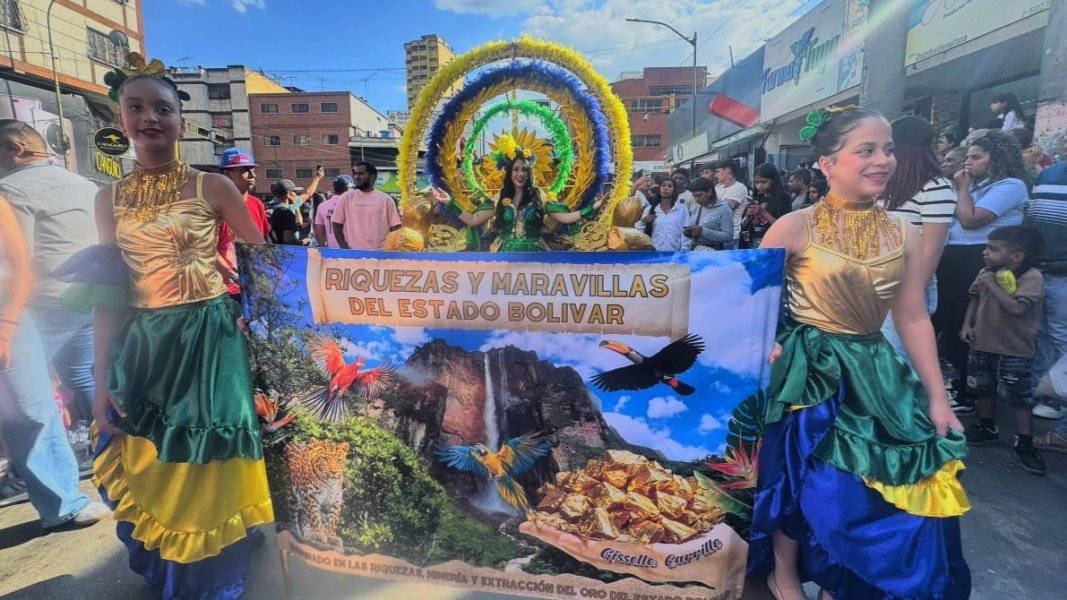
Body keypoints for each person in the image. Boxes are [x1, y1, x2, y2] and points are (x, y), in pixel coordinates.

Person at [749, 107, 968, 600]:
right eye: (866, 150)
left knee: (873, 491)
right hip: (807, 373)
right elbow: (750, 306)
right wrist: (769, 341)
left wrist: (937, 398)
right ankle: (784, 571)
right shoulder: (793, 226)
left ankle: (841, 581)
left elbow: (911, 317)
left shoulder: (903, 231)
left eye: (887, 149)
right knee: (803, 479)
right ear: (827, 163)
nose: (882, 160)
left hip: (876, 372)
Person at [88, 72, 273, 598]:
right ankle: (172, 565)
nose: (149, 118)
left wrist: (251, 314)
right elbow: (109, 292)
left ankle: (212, 574)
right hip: (145, 344)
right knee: (148, 456)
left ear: (180, 122)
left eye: (162, 109)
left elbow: (263, 265)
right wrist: (101, 380)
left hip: (211, 340)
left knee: (208, 460)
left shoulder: (211, 186)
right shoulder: (107, 199)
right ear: (120, 118)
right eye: (136, 107)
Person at [0, 193, 109, 525]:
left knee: (28, 411)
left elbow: (20, 267)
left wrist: (6, 326)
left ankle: (63, 503)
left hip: (8, 318)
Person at [0, 120, 98, 430]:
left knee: (25, 392)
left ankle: (33, 465)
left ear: (16, 149)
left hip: (47, 301)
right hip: (92, 297)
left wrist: (7, 321)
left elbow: (15, 264)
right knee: (80, 374)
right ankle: (107, 445)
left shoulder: (11, 191)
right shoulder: (83, 183)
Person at [934, 129, 1028, 413]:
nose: (968, 163)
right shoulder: (976, 184)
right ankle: (961, 385)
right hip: (953, 254)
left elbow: (971, 219)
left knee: (967, 324)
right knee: (946, 322)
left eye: (977, 157)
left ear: (996, 157)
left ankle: (971, 392)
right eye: (969, 157)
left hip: (978, 256)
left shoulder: (1011, 185)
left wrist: (962, 188)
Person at [959, 226, 1045, 474]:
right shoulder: (987, 272)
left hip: (1014, 349)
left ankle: (1025, 443)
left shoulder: (1032, 278)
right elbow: (974, 297)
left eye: (993, 249)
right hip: (983, 342)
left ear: (1016, 256)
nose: (985, 253)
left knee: (1019, 396)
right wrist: (967, 325)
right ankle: (987, 428)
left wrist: (992, 284)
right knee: (983, 388)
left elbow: (1017, 309)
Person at [879, 116, 957, 363]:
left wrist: (911, 293)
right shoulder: (886, 187)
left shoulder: (937, 187)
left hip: (908, 280)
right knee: (879, 362)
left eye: (888, 149)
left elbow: (933, 248)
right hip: (876, 279)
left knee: (898, 361)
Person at [433, 147, 605, 251]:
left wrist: (594, 207)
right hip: (504, 258)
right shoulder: (500, 197)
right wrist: (449, 202)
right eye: (516, 169)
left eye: (524, 170)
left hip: (534, 257)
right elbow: (473, 220)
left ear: (529, 173)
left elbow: (566, 218)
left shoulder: (538, 195)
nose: (520, 174)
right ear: (510, 172)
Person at [1029, 135, 1067, 434]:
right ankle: (1040, 389)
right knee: (1039, 333)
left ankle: (1057, 400)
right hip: (1039, 270)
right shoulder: (1049, 173)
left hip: (1063, 273)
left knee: (1060, 336)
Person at [217, 147, 270, 301]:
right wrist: (232, 275)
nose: (252, 175)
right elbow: (207, 250)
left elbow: (264, 240)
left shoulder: (257, 203)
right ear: (227, 174)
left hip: (256, 283)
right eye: (244, 170)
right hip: (227, 289)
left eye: (253, 170)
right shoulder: (215, 207)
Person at [331, 162, 401, 250]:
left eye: (361, 174)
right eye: (355, 173)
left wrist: (389, 250)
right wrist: (345, 250)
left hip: (380, 255)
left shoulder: (385, 200)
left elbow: (396, 227)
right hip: (353, 256)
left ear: (372, 177)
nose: (356, 177)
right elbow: (336, 224)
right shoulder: (346, 198)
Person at [741, 163, 792, 249]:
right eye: (756, 182)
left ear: (773, 180)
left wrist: (762, 212)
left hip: (772, 241)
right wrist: (748, 215)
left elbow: (783, 226)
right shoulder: (757, 196)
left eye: (763, 182)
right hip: (752, 240)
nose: (759, 186)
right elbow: (744, 223)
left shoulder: (783, 197)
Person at [268, 167, 322, 245]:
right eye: (294, 192)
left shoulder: (273, 209)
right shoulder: (286, 213)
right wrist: (303, 242)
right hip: (287, 252)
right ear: (288, 194)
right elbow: (288, 240)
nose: (296, 195)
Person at [636, 177, 689, 251]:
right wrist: (642, 221)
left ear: (674, 190)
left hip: (675, 254)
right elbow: (638, 233)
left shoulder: (681, 209)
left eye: (670, 186)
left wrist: (684, 251)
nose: (666, 188)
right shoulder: (650, 209)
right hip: (654, 254)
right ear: (660, 188)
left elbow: (686, 233)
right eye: (663, 185)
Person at [682, 177, 732, 250]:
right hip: (695, 250)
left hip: (714, 252)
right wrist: (688, 232)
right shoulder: (696, 207)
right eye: (694, 196)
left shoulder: (724, 209)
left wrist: (703, 231)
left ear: (709, 192)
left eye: (699, 195)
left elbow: (728, 236)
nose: (696, 199)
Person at [714, 159, 749, 248]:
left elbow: (727, 208)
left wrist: (717, 203)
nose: (716, 175)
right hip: (716, 234)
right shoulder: (718, 187)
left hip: (731, 236)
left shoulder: (739, 188)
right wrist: (723, 201)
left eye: (718, 171)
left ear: (727, 170)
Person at [313, 175, 352, 249]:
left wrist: (324, 251)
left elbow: (319, 232)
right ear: (349, 188)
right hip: (355, 251)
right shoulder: (353, 204)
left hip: (332, 252)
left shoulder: (322, 206)